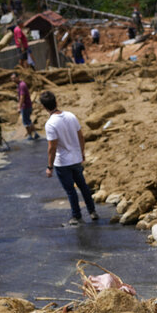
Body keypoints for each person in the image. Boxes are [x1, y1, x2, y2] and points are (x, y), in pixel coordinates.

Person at [40, 90, 98, 225]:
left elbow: (52, 147)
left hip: (62, 162)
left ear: (44, 107)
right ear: (56, 102)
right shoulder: (71, 115)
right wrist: (82, 152)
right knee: (83, 186)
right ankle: (92, 211)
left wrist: (49, 166)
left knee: (70, 191)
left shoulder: (50, 124)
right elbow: (81, 136)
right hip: (76, 158)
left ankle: (77, 216)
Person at [11, 73, 39, 140]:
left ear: (18, 77)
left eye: (14, 78)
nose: (13, 80)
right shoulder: (19, 85)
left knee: (25, 122)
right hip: (27, 105)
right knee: (28, 120)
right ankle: (35, 133)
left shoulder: (22, 85)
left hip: (25, 106)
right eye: (12, 78)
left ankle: (30, 136)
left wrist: (19, 107)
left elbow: (22, 97)